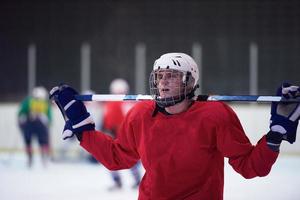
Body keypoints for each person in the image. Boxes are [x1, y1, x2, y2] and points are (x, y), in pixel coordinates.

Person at [50, 53, 300, 200]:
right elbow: (118, 157)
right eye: (160, 76)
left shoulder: (215, 115)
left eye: (172, 75)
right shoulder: (141, 115)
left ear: (190, 82)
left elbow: (248, 166)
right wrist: (84, 131)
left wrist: (274, 137)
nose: (163, 82)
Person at [103, 78, 141, 190]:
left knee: (129, 159)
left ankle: (135, 180)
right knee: (114, 159)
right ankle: (121, 181)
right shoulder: (111, 103)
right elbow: (106, 120)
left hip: (123, 136)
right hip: (115, 135)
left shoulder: (126, 102)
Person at [18, 86, 52, 168]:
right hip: (33, 125)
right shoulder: (31, 102)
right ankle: (35, 158)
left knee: (35, 141)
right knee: (38, 142)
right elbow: (21, 113)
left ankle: (41, 158)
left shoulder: (29, 101)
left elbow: (21, 113)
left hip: (36, 125)